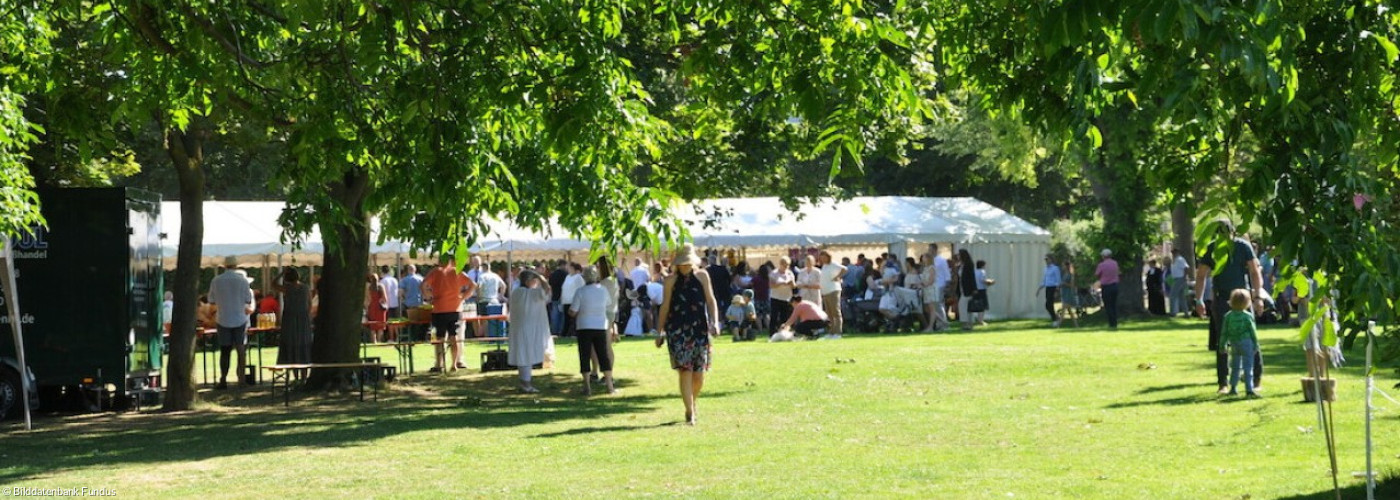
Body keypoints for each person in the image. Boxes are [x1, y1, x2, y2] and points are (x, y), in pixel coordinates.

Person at [1194, 219, 1266, 395]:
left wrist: (1258, 296)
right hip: (1222, 298)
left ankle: (1255, 380)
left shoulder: (1242, 246)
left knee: (1248, 337)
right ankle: (1224, 383)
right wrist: (1199, 300)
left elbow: (1254, 271)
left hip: (1242, 298)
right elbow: (1201, 275)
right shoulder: (1212, 248)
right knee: (1223, 339)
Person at [654, 243, 720, 425]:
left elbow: (711, 300)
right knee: (685, 371)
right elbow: (665, 306)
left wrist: (715, 322)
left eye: (687, 263)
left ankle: (692, 402)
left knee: (698, 375)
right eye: (682, 263)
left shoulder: (702, 276)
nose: (685, 266)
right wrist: (659, 331)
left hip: (700, 329)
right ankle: (690, 412)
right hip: (677, 330)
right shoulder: (670, 281)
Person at [423, 255, 475, 373]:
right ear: (451, 261)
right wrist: (463, 297)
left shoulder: (435, 272)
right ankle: (454, 364)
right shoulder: (457, 271)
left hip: (439, 309)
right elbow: (473, 285)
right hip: (455, 309)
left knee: (440, 338)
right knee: (453, 337)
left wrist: (429, 298)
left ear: (439, 261)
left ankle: (439, 364)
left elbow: (423, 285)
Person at [208, 261, 254, 389]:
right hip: (240, 318)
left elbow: (211, 300)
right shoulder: (242, 281)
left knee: (225, 351)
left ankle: (223, 379)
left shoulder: (216, 280)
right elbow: (248, 300)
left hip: (223, 318)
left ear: (224, 266)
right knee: (241, 350)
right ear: (235, 266)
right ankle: (242, 380)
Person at [571, 266, 615, 395]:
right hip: (600, 325)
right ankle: (610, 387)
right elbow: (608, 304)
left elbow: (573, 311)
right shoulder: (603, 290)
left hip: (584, 326)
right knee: (603, 355)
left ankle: (587, 387)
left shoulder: (580, 291)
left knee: (585, 355)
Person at [508, 269, 551, 393]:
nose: (535, 283)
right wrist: (540, 276)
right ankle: (526, 384)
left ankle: (524, 382)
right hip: (528, 328)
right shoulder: (531, 293)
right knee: (526, 355)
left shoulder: (516, 292)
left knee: (523, 354)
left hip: (519, 327)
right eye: (534, 280)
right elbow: (547, 288)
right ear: (528, 281)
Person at [1218, 289, 1260, 398]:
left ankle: (1233, 387)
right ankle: (1249, 389)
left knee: (1235, 366)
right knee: (1248, 366)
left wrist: (1222, 345)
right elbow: (1253, 331)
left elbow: (1224, 332)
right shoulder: (1247, 316)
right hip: (1247, 342)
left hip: (1234, 343)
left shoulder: (1228, 316)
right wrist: (1256, 344)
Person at [273, 268, 313, 380]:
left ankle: (296, 377)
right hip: (303, 319)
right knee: (303, 346)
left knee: (291, 345)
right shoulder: (305, 288)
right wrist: (306, 315)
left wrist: (281, 273)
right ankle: (304, 376)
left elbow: (273, 284)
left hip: (289, 320)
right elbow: (309, 304)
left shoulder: (287, 288)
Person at [591, 256, 621, 379]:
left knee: (605, 345)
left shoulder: (606, 282)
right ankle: (597, 372)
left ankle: (606, 375)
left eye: (597, 267)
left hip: (604, 314)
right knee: (599, 345)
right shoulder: (610, 281)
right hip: (606, 314)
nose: (596, 270)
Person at [816, 251, 846, 338]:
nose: (822, 259)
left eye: (824, 257)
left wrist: (837, 277)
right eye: (821, 257)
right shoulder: (824, 266)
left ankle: (838, 332)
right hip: (825, 292)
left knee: (835, 311)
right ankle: (832, 332)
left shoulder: (833, 264)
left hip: (833, 290)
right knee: (829, 313)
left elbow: (844, 269)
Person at [473, 262, 505, 337]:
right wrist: (500, 296)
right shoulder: (496, 276)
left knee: (484, 320)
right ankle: (493, 336)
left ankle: (486, 336)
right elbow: (503, 286)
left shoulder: (482, 276)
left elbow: (479, 286)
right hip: (494, 301)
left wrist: (478, 296)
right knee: (493, 320)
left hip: (484, 300)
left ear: (483, 268)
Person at [927, 245, 952, 331]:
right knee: (935, 306)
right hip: (932, 286)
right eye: (929, 250)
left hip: (940, 284)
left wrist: (947, 284)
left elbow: (946, 272)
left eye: (930, 249)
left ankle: (944, 324)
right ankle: (939, 324)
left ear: (935, 250)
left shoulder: (941, 260)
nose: (929, 251)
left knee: (939, 305)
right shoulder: (930, 260)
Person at [768, 257, 795, 332]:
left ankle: (784, 332)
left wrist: (791, 283)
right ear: (780, 264)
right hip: (775, 298)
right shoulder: (774, 273)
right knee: (774, 317)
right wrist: (780, 284)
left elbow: (794, 286)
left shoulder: (790, 273)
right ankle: (772, 333)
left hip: (786, 298)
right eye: (784, 265)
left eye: (787, 265)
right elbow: (770, 285)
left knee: (785, 317)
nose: (786, 267)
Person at [1096, 249, 1121, 329]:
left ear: (1103, 256)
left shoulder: (1101, 265)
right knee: (1113, 304)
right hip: (1115, 286)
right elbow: (1118, 272)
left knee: (1108, 305)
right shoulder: (1115, 263)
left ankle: (1111, 323)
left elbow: (1097, 274)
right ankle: (1115, 322)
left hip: (1106, 286)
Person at [399, 265, 425, 341]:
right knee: (417, 322)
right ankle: (416, 338)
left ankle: (407, 338)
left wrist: (403, 299)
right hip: (418, 304)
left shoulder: (404, 280)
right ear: (415, 270)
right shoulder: (421, 279)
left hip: (408, 304)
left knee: (407, 322)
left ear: (407, 270)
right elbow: (424, 291)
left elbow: (400, 292)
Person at [559, 262, 584, 337]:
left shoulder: (578, 277)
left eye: (569, 267)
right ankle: (565, 333)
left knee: (574, 319)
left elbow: (581, 288)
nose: (568, 269)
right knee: (567, 318)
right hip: (566, 301)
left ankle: (574, 333)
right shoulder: (567, 277)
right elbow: (564, 288)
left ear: (573, 268)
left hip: (573, 301)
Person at [1037, 254, 1062, 327]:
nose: (1046, 261)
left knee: (1049, 304)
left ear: (1051, 259)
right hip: (1048, 288)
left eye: (1047, 259)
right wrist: (1039, 288)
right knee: (1048, 305)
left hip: (1053, 288)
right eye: (1045, 259)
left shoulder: (1055, 268)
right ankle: (1056, 317)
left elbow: (1058, 280)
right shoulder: (1045, 269)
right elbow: (1044, 280)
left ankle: (1055, 320)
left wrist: (1057, 290)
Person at [957, 249, 977, 331]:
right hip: (962, 288)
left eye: (959, 255)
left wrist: (974, 288)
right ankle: (968, 324)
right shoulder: (961, 265)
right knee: (965, 307)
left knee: (964, 306)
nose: (958, 256)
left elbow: (972, 277)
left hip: (968, 288)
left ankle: (967, 323)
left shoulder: (968, 264)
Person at [366, 273, 389, 343]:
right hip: (380, 308)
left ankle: (374, 341)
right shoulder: (381, 286)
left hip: (372, 307)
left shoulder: (369, 287)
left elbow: (369, 299)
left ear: (370, 279)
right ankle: (379, 341)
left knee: (372, 326)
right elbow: (385, 298)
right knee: (380, 326)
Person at [548, 261, 569, 335]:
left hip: (554, 296)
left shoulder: (552, 274)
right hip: (562, 296)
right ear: (563, 265)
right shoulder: (565, 274)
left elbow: (550, 285)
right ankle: (560, 331)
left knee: (554, 315)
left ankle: (554, 330)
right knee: (562, 316)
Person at [1169, 248, 1190, 317]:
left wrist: (1184, 277)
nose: (1173, 254)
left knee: (1172, 295)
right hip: (1176, 279)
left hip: (1180, 278)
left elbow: (1186, 268)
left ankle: (1172, 313)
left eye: (1174, 252)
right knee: (1182, 297)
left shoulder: (1180, 259)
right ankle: (1186, 313)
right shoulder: (1175, 260)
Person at [973, 260, 995, 325]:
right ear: (982, 265)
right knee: (982, 305)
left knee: (976, 305)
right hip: (981, 290)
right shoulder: (982, 271)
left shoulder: (974, 271)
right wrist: (990, 282)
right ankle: (980, 320)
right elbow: (983, 280)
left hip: (976, 289)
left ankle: (976, 318)